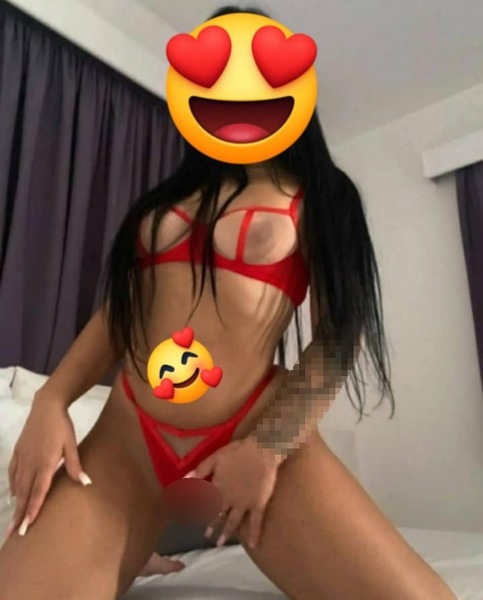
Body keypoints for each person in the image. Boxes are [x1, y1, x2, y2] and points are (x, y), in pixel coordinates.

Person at [0, 6, 457, 599]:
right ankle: (132, 545)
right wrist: (51, 398)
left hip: (252, 432)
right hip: (126, 441)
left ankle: (144, 544)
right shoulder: (166, 198)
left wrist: (269, 446)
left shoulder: (325, 196)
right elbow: (121, 314)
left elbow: (339, 336)